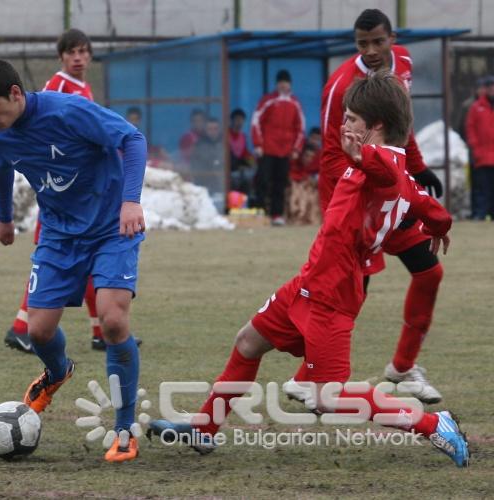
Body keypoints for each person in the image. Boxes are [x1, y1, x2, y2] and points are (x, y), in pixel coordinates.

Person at [149, 71, 469, 468]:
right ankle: (204, 428)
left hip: (332, 295)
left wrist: (362, 155)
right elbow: (429, 205)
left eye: (351, 119)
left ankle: (433, 423)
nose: (343, 124)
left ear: (377, 126)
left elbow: (386, 169)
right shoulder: (401, 174)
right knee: (248, 341)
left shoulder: (383, 162)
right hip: (309, 283)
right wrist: (439, 226)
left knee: (327, 397)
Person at [0, 58, 146, 462]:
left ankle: (123, 427)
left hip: (110, 229)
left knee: (113, 320)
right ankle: (57, 373)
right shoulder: (1, 134)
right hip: (59, 234)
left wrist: (131, 201)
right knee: (39, 331)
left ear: (15, 94)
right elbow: (0, 170)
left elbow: (132, 140)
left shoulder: (68, 111)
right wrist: (5, 217)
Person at [295, 8, 447, 404]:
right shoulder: (341, 85)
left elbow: (400, 123)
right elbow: (332, 154)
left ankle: (402, 369)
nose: (373, 50)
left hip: (391, 191)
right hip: (358, 201)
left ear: (392, 37)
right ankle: (312, 378)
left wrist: (416, 168)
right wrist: (346, 207)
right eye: (363, 44)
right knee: (348, 294)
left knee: (429, 273)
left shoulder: (406, 63)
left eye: (379, 41)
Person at [5, 28, 107, 353]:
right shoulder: (57, 86)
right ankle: (22, 327)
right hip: (62, 192)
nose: (78, 58)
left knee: (89, 259)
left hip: (81, 193)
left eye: (83, 51)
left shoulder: (83, 87)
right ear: (61, 56)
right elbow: (43, 131)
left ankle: (100, 332)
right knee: (49, 260)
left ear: (90, 55)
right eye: (71, 52)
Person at [251, 69, 306, 226]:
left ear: (289, 84)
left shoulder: (295, 103)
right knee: (262, 181)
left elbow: (300, 128)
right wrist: (258, 144)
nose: (283, 85)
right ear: (277, 84)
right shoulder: (267, 100)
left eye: (285, 82)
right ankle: (260, 212)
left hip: (285, 151)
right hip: (267, 149)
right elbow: (256, 122)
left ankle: (277, 215)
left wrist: (296, 149)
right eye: (280, 82)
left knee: (280, 183)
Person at [458, 77, 490, 219]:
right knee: (478, 184)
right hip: (477, 153)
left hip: (488, 152)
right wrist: (473, 146)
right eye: (483, 87)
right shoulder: (471, 106)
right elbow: (466, 127)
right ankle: (478, 212)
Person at [465, 75, 494, 220]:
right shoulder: (476, 107)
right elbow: (470, 129)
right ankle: (480, 213)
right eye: (490, 87)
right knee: (482, 187)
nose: (492, 89)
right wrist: (475, 148)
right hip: (482, 156)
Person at [286, 144, 320, 225]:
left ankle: (307, 218)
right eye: (306, 156)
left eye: (311, 157)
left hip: (309, 190)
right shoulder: (293, 164)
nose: (308, 159)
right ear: (301, 155)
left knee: (311, 194)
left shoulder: (315, 166)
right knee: (297, 190)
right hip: (294, 189)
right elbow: (290, 178)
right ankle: (298, 214)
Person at [227, 108, 256, 199]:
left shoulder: (243, 137)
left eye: (241, 120)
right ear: (232, 121)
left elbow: (245, 153)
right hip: (230, 168)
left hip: (240, 168)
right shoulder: (226, 135)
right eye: (237, 120)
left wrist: (253, 162)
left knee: (249, 175)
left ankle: (246, 200)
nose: (239, 123)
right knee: (235, 178)